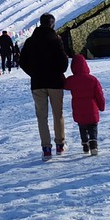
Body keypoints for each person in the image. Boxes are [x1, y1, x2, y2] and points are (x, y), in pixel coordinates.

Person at [19, 13, 69, 158]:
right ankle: (60, 145)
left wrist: (34, 73)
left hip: (37, 83)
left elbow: (22, 62)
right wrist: (57, 71)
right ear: (52, 24)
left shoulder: (30, 41)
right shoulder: (56, 40)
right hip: (55, 83)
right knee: (57, 114)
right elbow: (64, 63)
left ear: (40, 23)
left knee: (42, 117)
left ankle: (46, 148)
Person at [64, 54, 105, 155]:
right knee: (93, 127)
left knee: (82, 127)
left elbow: (63, 84)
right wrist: (101, 106)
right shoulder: (92, 80)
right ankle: (93, 144)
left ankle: (85, 145)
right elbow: (99, 94)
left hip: (79, 109)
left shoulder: (71, 80)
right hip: (91, 108)